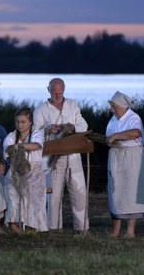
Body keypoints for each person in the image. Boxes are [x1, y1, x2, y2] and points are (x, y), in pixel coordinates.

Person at [33, 77, 90, 234]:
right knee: (53, 194)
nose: (58, 95)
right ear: (48, 90)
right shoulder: (40, 109)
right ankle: (54, 227)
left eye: (60, 92)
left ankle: (82, 227)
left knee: (79, 192)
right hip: (53, 157)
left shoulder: (72, 104)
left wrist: (72, 126)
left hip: (73, 156)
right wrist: (47, 130)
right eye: (54, 92)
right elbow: (34, 133)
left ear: (64, 90)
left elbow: (83, 125)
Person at [105, 91, 144, 238]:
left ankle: (130, 231)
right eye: (112, 107)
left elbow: (135, 133)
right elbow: (109, 136)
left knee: (132, 192)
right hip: (117, 155)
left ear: (122, 106)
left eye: (114, 107)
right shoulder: (113, 119)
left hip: (133, 156)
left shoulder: (133, 117)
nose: (112, 110)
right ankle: (115, 231)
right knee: (116, 192)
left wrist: (115, 136)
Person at [3, 107, 48, 233]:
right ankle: (13, 224)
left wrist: (18, 146)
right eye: (17, 122)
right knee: (12, 191)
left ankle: (32, 226)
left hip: (34, 171)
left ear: (30, 122)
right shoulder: (10, 137)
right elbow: (8, 155)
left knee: (32, 192)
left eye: (23, 122)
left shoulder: (37, 134)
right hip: (16, 170)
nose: (20, 125)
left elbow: (36, 145)